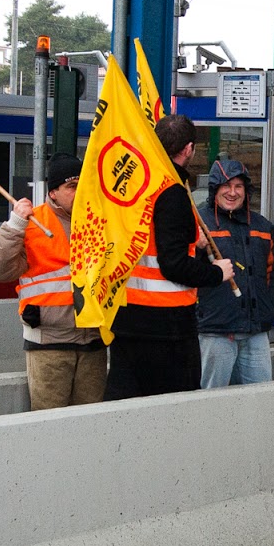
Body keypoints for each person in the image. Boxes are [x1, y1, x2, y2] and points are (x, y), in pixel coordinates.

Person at [105, 114, 234, 399]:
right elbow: (172, 264)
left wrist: (194, 245)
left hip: (126, 319)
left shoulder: (135, 185)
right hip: (166, 328)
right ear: (188, 149)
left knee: (125, 409)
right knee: (175, 411)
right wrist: (217, 272)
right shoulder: (172, 192)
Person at [0, 153, 106, 410]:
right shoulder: (32, 223)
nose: (80, 191)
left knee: (91, 423)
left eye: (84, 184)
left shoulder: (100, 220)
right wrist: (15, 224)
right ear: (53, 193)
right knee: (49, 423)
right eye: (72, 186)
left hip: (94, 341)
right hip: (49, 344)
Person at [197, 157, 274, 387]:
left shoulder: (262, 226)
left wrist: (269, 306)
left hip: (256, 332)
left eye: (238, 186)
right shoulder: (198, 223)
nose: (232, 192)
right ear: (215, 189)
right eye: (226, 186)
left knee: (260, 399)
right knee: (211, 400)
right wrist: (195, 247)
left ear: (246, 191)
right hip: (215, 332)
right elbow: (182, 270)